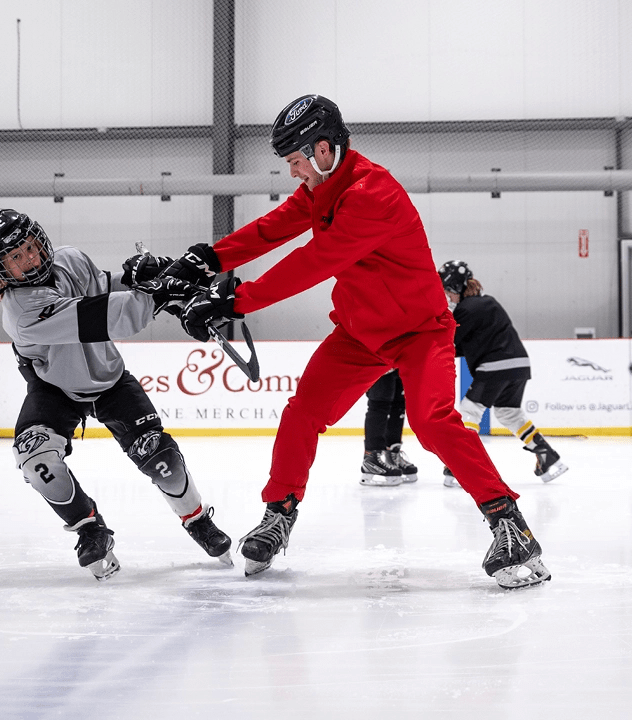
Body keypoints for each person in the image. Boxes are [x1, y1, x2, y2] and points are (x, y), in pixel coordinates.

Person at [167, 94, 550, 590]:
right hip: (360, 333)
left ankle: (510, 526)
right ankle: (278, 513)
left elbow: (314, 261)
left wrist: (235, 302)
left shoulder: (374, 194)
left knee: (432, 421)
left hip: (419, 333)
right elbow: (274, 228)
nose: (293, 174)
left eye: (296, 162)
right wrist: (205, 260)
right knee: (303, 410)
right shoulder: (325, 186)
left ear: (323, 149)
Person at [0, 208, 232, 581]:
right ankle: (89, 528)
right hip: (55, 389)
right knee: (35, 458)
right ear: (1, 268)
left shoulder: (70, 259)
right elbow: (112, 316)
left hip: (109, 379)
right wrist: (165, 291)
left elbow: (105, 287)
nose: (29, 259)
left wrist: (145, 275)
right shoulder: (21, 312)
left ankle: (197, 520)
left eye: (29, 247)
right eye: (15, 257)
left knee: (162, 460)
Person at [438, 260, 568, 488]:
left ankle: (461, 466)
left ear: (456, 288)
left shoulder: (466, 310)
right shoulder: (489, 302)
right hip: (520, 365)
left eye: (448, 291)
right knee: (509, 413)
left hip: (494, 366)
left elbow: (452, 344)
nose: (448, 296)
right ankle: (547, 455)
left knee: (470, 410)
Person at [359, 369, 418, 487]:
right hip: (380, 358)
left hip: (397, 358)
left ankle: (392, 455)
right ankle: (371, 459)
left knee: (399, 403)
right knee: (379, 403)